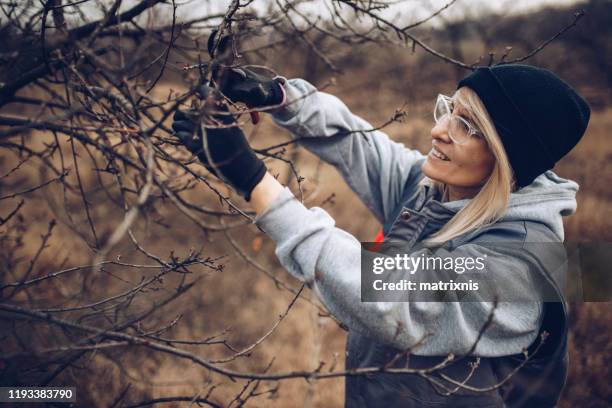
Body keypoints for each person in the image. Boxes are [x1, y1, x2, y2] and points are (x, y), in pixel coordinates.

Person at [172, 62, 590, 407]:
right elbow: (357, 144)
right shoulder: (434, 190)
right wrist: (281, 96)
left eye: (467, 125)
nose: (439, 130)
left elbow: (388, 294)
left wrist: (255, 181)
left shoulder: (524, 267)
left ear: (505, 157)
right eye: (448, 109)